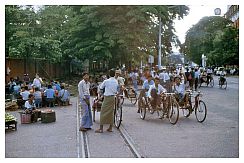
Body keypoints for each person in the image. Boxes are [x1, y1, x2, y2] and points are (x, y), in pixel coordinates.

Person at [95, 69, 118, 133]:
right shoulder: (116, 81)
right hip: (113, 98)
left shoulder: (106, 81)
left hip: (107, 97)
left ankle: (101, 128)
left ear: (109, 74)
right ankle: (110, 127)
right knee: (111, 112)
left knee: (103, 112)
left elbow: (101, 88)